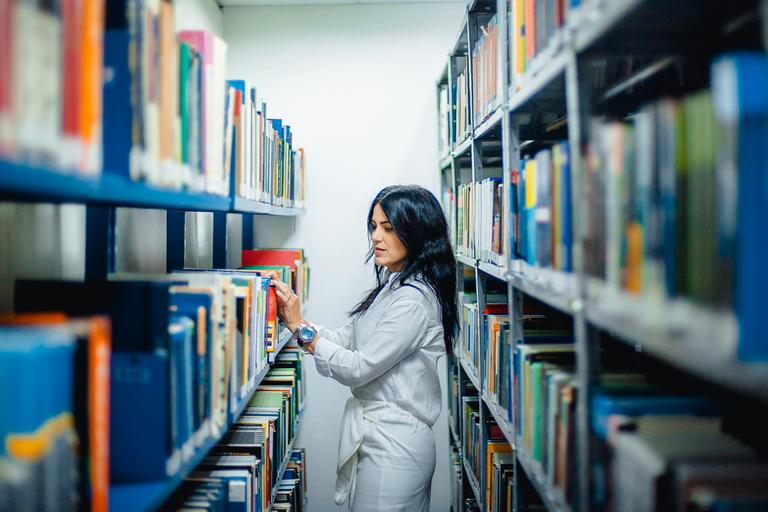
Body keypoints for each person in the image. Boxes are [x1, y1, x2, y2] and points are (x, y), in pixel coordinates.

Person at [264, 184, 459, 512]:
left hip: (396, 445)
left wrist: (302, 329)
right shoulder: (393, 286)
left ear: (417, 232)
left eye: (388, 227)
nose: (375, 237)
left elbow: (358, 367)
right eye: (373, 226)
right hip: (380, 436)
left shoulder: (414, 298)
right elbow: (343, 339)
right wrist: (292, 318)